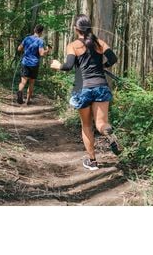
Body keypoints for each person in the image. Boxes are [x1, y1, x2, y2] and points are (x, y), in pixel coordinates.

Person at [50, 14, 122, 171]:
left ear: (76, 29)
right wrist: (104, 65)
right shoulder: (99, 43)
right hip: (101, 86)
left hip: (83, 89)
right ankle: (109, 133)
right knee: (101, 123)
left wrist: (57, 65)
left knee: (87, 125)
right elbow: (113, 59)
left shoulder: (74, 46)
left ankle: (93, 162)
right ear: (89, 28)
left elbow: (68, 66)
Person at [16, 24, 49, 105]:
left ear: (34, 30)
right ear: (41, 32)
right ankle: (28, 101)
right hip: (34, 64)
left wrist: (26, 49)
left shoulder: (27, 38)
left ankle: (20, 92)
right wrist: (47, 51)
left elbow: (19, 48)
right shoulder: (40, 41)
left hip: (25, 63)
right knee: (31, 83)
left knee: (23, 81)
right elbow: (41, 53)